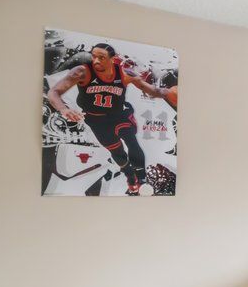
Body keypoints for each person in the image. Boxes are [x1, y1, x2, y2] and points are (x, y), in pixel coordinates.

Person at [46, 42, 168, 195]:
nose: (96, 61)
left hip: (120, 115)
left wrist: (169, 92)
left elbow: (153, 91)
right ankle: (130, 175)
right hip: (96, 120)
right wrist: (64, 109)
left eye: (101, 57)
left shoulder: (124, 74)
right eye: (94, 56)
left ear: (112, 59)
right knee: (118, 153)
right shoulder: (82, 72)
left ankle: (142, 179)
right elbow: (54, 92)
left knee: (132, 141)